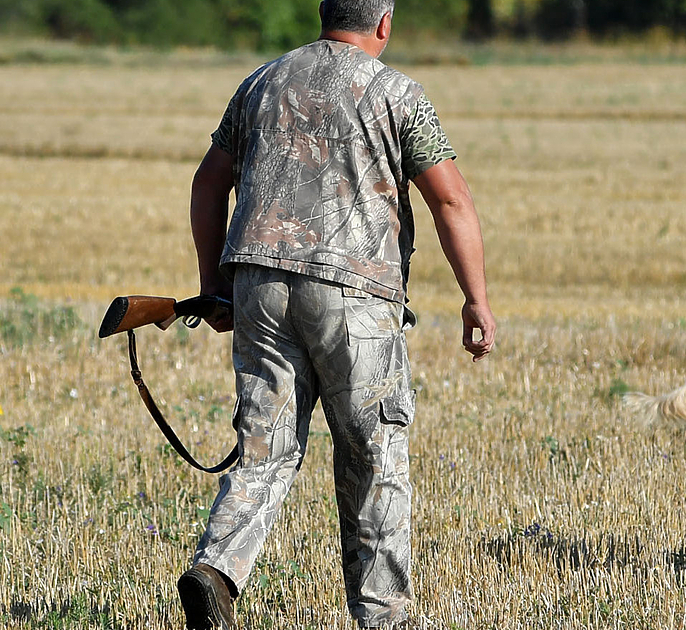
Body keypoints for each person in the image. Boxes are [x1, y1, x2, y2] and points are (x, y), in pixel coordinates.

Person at [178, 0, 496, 627]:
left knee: (264, 447)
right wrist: (476, 298)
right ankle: (382, 615)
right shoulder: (397, 92)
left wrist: (214, 284)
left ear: (324, 14)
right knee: (373, 454)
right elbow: (451, 200)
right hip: (357, 292)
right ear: (384, 22)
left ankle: (216, 569)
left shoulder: (261, 82)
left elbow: (208, 182)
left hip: (259, 283)